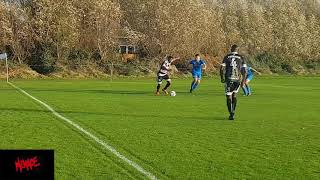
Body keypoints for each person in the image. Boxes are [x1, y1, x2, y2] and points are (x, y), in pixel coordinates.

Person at [220, 45, 247, 120]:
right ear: (237, 50)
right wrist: (243, 81)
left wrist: (222, 78)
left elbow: (222, 68)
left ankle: (230, 114)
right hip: (237, 79)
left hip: (229, 79)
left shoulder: (227, 56)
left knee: (228, 96)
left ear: (231, 49)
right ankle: (233, 111)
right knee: (234, 95)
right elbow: (245, 71)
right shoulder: (241, 57)